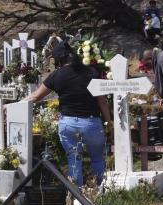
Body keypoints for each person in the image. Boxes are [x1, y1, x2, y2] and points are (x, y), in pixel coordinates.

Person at [23, 41, 111, 187]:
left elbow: (36, 96)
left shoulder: (57, 75)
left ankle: (77, 196)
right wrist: (109, 122)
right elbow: (102, 101)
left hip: (68, 123)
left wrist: (14, 105)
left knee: (74, 159)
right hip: (91, 122)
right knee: (97, 159)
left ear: (58, 60)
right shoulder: (91, 72)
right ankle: (101, 192)